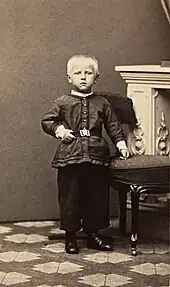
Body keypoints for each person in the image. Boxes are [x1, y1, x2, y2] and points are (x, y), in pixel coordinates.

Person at [41, 54, 130, 254]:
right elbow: (47, 121)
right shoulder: (62, 102)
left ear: (96, 77)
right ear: (69, 77)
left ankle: (93, 235)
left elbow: (113, 126)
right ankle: (70, 237)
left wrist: (121, 144)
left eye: (88, 73)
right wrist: (60, 131)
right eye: (78, 73)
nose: (83, 77)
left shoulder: (102, 103)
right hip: (70, 158)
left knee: (96, 197)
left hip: (97, 157)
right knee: (70, 198)